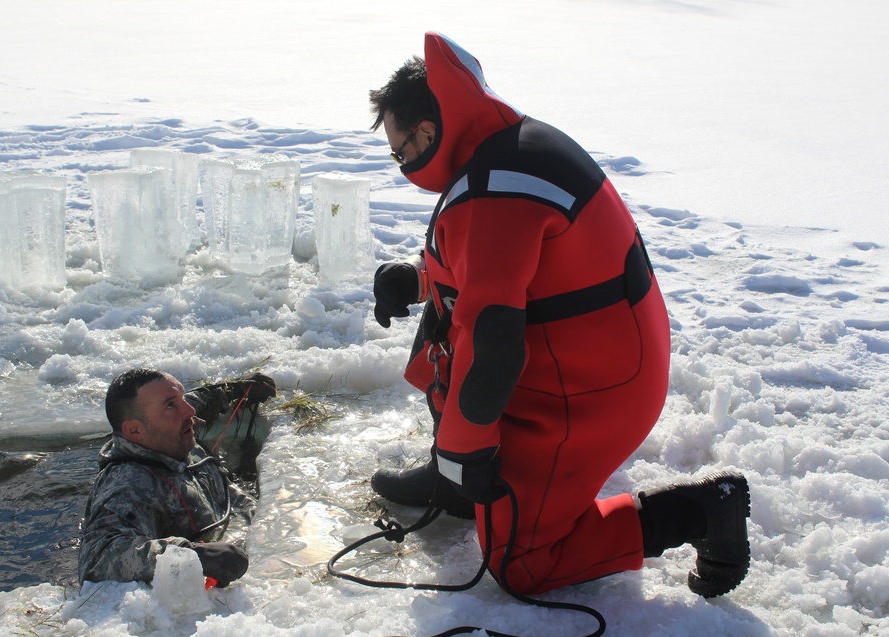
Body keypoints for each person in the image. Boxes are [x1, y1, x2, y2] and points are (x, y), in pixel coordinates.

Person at [367, 32, 751, 598]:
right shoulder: (501, 151)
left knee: (523, 563)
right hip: (586, 352)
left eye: (400, 151)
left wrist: (465, 447)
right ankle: (454, 485)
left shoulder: (496, 188)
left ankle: (699, 511)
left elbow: (493, 341)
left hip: (590, 388)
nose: (403, 164)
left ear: (429, 131)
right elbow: (501, 271)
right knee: (444, 333)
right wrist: (419, 280)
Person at [78, 368, 276, 587]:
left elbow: (198, 400)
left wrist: (241, 388)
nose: (189, 410)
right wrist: (194, 557)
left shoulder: (164, 434)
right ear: (134, 430)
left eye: (180, 398)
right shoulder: (129, 485)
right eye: (171, 405)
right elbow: (98, 558)